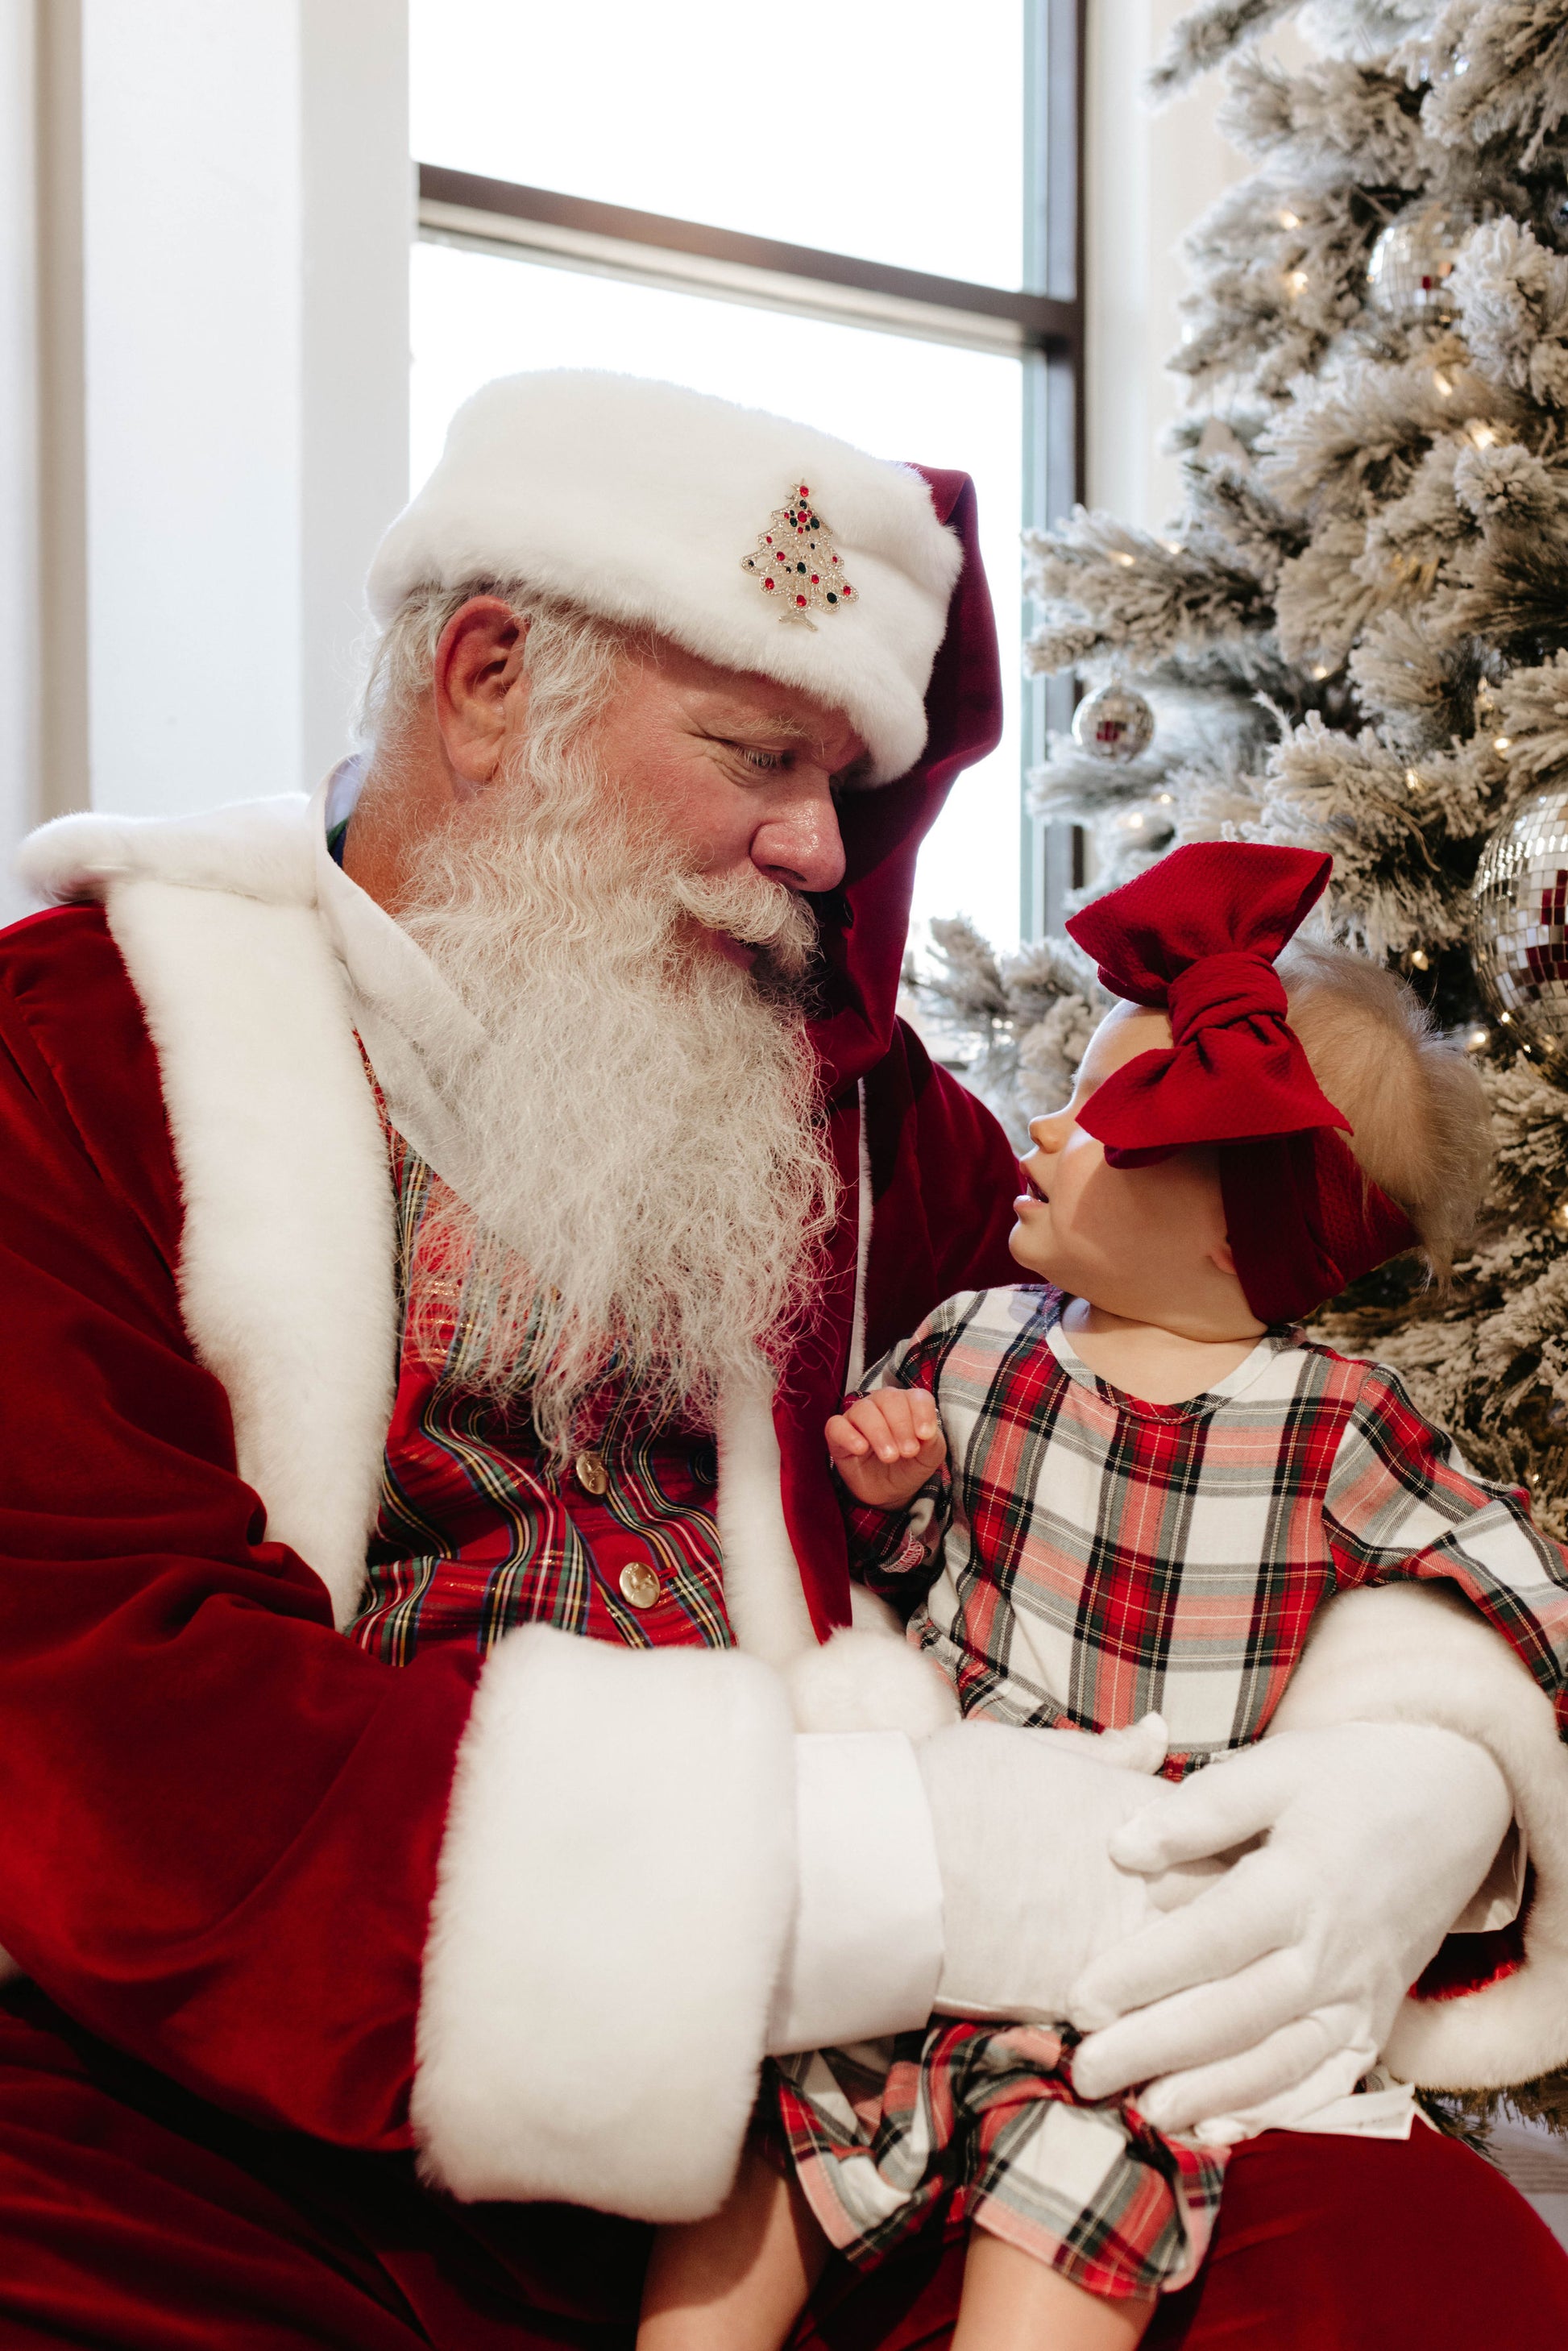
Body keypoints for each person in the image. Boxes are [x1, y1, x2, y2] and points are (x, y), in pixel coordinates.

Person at [1, 371, 1566, 2349]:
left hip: (856, 2112)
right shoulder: (71, 1050)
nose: (822, 853)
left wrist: (1397, 1778)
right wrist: (917, 1867)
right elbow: (115, 1733)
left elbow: (1201, 1377)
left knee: (1424, 2273)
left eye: (847, 785)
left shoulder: (845, 1106)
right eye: (757, 754)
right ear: (486, 680)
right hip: (276, 2121)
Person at [637, 840, 1564, 2351]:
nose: (1045, 1124)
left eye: (1101, 1113)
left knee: (1072, 2216)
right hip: (938, 1866)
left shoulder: (1332, 1421)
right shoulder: (985, 1342)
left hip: (1132, 1932)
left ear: (1229, 1227)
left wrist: (1432, 1755)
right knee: (750, 2160)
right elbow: (893, 1561)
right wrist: (894, 1485)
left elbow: (1511, 1594)